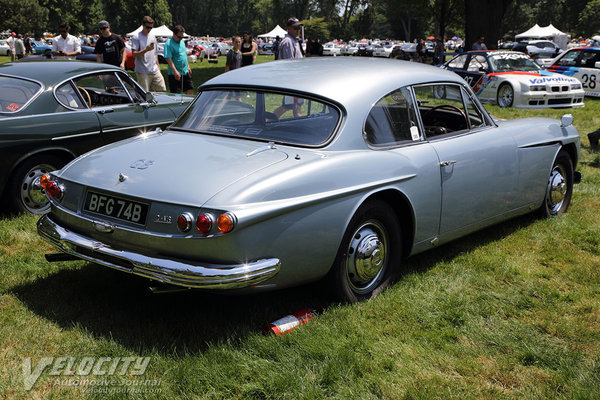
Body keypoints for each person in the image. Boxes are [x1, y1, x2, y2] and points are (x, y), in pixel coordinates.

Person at [130, 16, 166, 92]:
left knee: (161, 90)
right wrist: (146, 50)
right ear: (143, 25)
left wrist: (158, 67)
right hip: (142, 71)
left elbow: (155, 53)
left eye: (151, 27)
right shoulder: (136, 37)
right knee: (144, 94)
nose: (149, 29)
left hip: (154, 70)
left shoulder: (153, 37)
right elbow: (134, 54)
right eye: (147, 27)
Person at [164, 25, 193, 95]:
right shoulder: (168, 44)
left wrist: (188, 66)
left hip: (185, 72)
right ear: (174, 34)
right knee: (176, 94)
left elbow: (184, 55)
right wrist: (175, 71)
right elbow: (168, 59)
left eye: (182, 37)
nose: (181, 38)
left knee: (190, 88)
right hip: (175, 74)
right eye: (179, 37)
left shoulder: (182, 42)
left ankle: (187, 104)